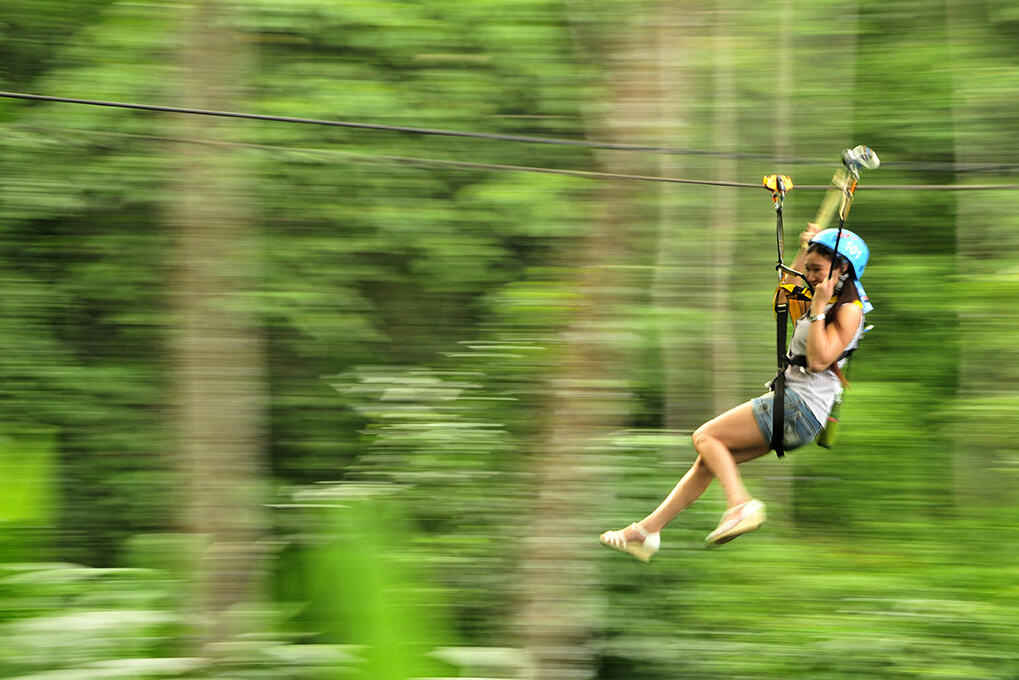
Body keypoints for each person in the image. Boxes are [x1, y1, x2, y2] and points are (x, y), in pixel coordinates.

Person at [600, 222, 871, 558]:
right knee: (708, 461)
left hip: (799, 407)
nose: (811, 276)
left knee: (705, 437)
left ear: (842, 269)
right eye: (811, 270)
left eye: (818, 270)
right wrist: (805, 250)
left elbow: (818, 361)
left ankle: (739, 505)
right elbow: (786, 291)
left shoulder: (847, 311)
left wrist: (817, 309)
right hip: (797, 410)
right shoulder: (824, 300)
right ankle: (646, 532)